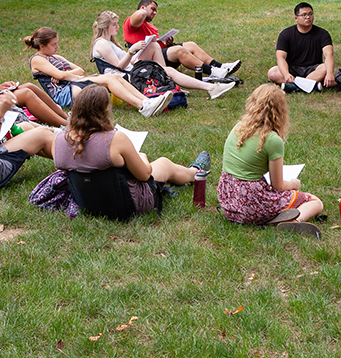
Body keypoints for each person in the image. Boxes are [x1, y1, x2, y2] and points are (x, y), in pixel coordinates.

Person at [52, 85, 209, 214]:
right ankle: (195, 172)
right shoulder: (113, 139)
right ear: (105, 110)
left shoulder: (59, 140)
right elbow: (144, 175)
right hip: (127, 205)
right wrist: (143, 157)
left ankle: (175, 182)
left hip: (87, 204)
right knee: (163, 164)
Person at [217, 84, 324, 236]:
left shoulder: (238, 127)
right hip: (251, 203)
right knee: (315, 202)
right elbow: (278, 186)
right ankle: (292, 222)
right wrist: (294, 184)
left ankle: (272, 219)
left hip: (229, 201)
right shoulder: (272, 140)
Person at [26, 27, 172, 118]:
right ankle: (143, 107)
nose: (57, 47)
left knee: (114, 76)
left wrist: (67, 75)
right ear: (42, 46)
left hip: (74, 84)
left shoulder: (55, 57)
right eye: (54, 44)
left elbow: (79, 70)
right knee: (109, 79)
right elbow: (62, 75)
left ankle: (147, 101)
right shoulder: (37, 59)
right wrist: (66, 75)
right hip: (64, 94)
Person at [91, 11, 235, 99]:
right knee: (169, 70)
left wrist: (139, 52)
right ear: (105, 27)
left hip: (130, 69)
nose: (117, 27)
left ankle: (168, 81)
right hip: (125, 78)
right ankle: (211, 88)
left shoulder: (109, 42)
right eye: (114, 24)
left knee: (153, 45)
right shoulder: (102, 43)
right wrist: (131, 51)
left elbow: (125, 63)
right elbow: (119, 66)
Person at [123, 0, 241, 79]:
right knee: (178, 50)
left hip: (158, 55)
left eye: (156, 11)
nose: (155, 13)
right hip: (143, 58)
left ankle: (219, 66)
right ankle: (213, 72)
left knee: (191, 45)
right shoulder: (132, 23)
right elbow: (138, 16)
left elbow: (159, 47)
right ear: (143, 8)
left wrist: (168, 44)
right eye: (152, 9)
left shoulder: (152, 27)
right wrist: (143, 10)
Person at [267, 2, 335, 92]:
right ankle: (310, 86)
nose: (308, 17)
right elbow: (280, 58)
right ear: (296, 18)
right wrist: (286, 74)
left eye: (310, 14)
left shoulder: (323, 34)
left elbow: (329, 55)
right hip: (292, 69)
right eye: (304, 15)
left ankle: (294, 87)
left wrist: (330, 73)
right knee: (272, 72)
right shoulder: (286, 34)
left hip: (313, 70)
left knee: (325, 68)